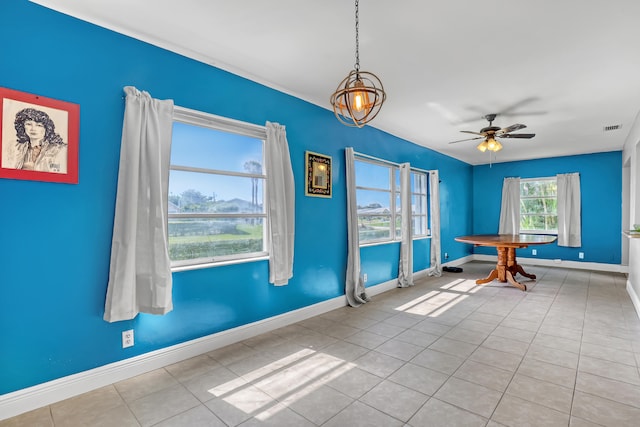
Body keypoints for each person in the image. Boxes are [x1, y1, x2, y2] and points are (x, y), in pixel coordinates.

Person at [9, 107, 67, 173]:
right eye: (29, 124)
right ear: (22, 126)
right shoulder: (15, 147)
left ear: (46, 128)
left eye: (39, 125)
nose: (33, 129)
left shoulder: (59, 149)